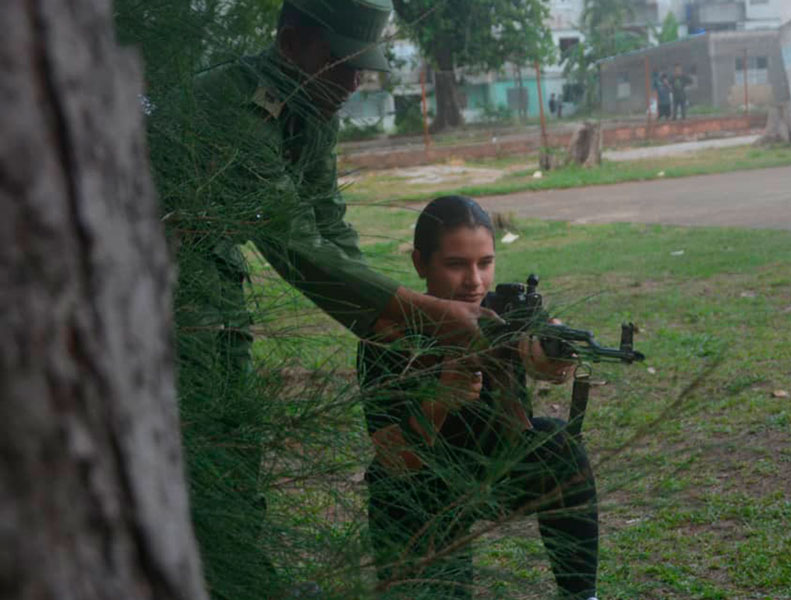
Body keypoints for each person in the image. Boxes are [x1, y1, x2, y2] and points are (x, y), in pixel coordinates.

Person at [155, 1, 497, 597]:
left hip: (212, 277)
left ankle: (239, 578)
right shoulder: (238, 106)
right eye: (340, 63)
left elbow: (329, 226)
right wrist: (425, 312)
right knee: (200, 448)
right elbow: (294, 242)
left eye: (361, 67)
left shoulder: (311, 106)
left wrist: (395, 324)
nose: (353, 82)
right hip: (160, 280)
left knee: (234, 441)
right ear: (291, 44)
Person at [360, 196, 600, 600]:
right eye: (456, 264)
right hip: (422, 487)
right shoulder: (389, 332)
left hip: (497, 467)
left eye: (485, 263)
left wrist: (554, 355)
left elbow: (546, 339)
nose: (474, 281)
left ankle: (581, 595)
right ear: (420, 263)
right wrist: (439, 400)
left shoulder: (504, 312)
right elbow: (395, 459)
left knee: (558, 443)